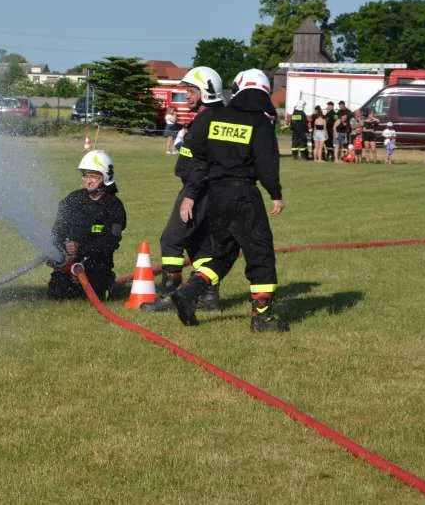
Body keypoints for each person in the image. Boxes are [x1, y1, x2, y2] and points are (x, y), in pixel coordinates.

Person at [172, 68, 289, 333]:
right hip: (243, 194)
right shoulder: (260, 121)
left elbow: (198, 157)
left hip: (215, 196)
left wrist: (191, 193)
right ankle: (262, 317)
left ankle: (190, 292)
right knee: (260, 253)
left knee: (222, 252)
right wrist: (276, 193)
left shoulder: (216, 116)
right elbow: (267, 163)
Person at [144, 66, 233, 313]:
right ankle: (208, 297)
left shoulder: (207, 121)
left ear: (207, 92)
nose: (188, 96)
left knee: (172, 239)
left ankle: (172, 297)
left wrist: (190, 196)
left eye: (192, 91)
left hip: (198, 190)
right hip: (208, 190)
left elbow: (202, 164)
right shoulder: (218, 117)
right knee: (200, 243)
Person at [47, 149, 126, 301]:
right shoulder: (73, 200)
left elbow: (111, 242)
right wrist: (58, 250)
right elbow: (57, 230)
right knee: (57, 293)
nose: (88, 181)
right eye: (86, 175)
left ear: (105, 177)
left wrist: (80, 249)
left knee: (94, 295)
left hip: (96, 263)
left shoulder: (114, 206)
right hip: (69, 262)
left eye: (94, 177)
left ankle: (108, 282)